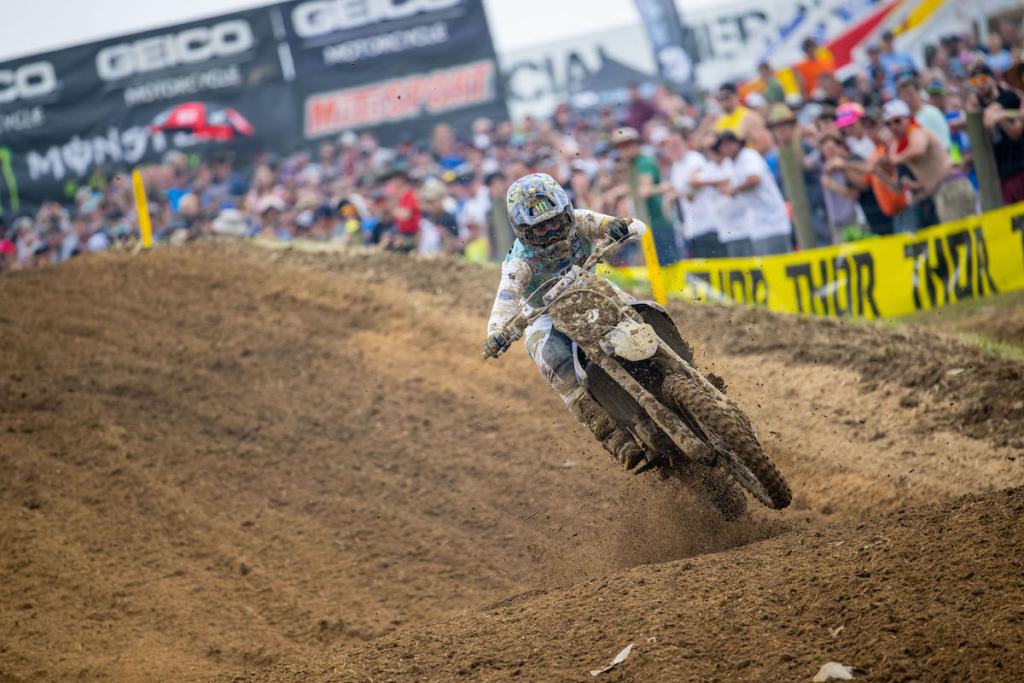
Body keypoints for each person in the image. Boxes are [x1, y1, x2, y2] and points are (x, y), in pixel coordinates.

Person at [480, 173, 650, 469]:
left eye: (554, 221)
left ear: (566, 212)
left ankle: (684, 370)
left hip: (590, 288)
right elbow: (505, 300)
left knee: (640, 311)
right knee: (552, 359)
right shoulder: (519, 262)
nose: (550, 231)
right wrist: (496, 332)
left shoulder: (582, 221)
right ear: (524, 231)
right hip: (543, 313)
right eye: (540, 227)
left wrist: (619, 227)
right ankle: (613, 437)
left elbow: (634, 227)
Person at [877, 99, 977, 224]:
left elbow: (918, 150)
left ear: (908, 118)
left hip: (951, 186)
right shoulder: (900, 142)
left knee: (962, 232)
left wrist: (895, 158)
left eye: (897, 121)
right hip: (940, 191)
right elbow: (891, 165)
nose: (893, 127)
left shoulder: (917, 131)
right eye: (888, 124)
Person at [715, 130, 793, 256]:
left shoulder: (748, 155)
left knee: (779, 263)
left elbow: (754, 179)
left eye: (729, 142)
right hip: (758, 227)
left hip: (774, 223)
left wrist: (733, 189)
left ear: (738, 143)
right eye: (723, 144)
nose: (727, 147)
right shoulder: (731, 163)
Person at [613, 127, 680, 264]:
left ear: (636, 144)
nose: (623, 150)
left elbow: (645, 189)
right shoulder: (632, 165)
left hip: (658, 223)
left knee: (667, 265)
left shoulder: (644, 162)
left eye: (626, 145)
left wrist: (619, 191)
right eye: (620, 146)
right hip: (648, 224)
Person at [969, 64, 1024, 203]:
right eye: (974, 81)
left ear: (993, 79)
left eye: (982, 79)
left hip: (1020, 168)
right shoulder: (979, 110)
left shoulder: (1009, 97)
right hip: (1002, 176)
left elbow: (1016, 133)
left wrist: (1000, 117)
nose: (979, 84)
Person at [713, 83, 772, 154]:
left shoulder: (749, 117)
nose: (724, 100)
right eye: (720, 98)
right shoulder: (719, 121)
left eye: (727, 96)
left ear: (736, 96)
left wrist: (746, 157)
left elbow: (765, 143)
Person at [896, 76, 952, 150]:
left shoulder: (932, 114)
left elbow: (945, 145)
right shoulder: (901, 121)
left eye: (910, 94)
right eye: (903, 95)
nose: (907, 98)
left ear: (918, 93)